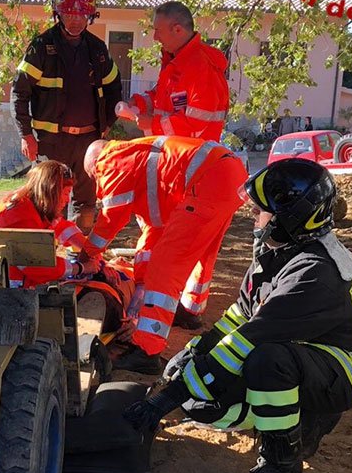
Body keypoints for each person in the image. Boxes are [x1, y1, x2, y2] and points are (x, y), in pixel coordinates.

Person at [123, 158, 352, 473]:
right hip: (308, 352)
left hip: (349, 368)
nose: (254, 219)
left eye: (261, 212)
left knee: (265, 362)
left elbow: (251, 337)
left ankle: (283, 469)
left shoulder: (314, 272)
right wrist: (195, 353)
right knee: (205, 388)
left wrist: (170, 396)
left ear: (289, 218)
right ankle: (301, 423)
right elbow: (239, 316)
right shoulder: (278, 252)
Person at [77, 136, 248, 374]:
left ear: (95, 164)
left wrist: (86, 255)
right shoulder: (141, 162)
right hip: (227, 174)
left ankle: (146, 351)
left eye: (93, 176)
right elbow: (152, 232)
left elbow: (109, 220)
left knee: (164, 267)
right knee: (201, 252)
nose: (97, 182)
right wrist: (140, 286)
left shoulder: (111, 161)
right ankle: (189, 312)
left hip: (209, 180)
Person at [12, 0, 122, 232]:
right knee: (45, 200)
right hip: (51, 143)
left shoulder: (98, 50)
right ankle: (41, 256)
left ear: (90, 16)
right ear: (57, 14)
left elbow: (114, 87)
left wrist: (106, 124)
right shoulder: (41, 47)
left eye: (81, 15)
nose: (75, 20)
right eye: (69, 14)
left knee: (86, 203)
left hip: (88, 143)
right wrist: (26, 134)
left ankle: (79, 258)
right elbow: (19, 93)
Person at [117, 1, 229, 142]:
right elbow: (163, 99)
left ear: (178, 30)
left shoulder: (201, 67)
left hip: (193, 158)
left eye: (158, 30)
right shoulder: (176, 60)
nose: (155, 37)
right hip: (175, 154)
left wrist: (153, 124)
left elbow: (195, 123)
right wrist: (138, 103)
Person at [0, 160, 94, 287]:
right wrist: (81, 268)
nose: (67, 200)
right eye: (65, 193)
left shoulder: (24, 204)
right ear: (51, 191)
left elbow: (58, 225)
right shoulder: (23, 219)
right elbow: (41, 266)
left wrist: (90, 249)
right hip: (9, 289)